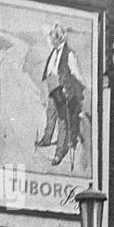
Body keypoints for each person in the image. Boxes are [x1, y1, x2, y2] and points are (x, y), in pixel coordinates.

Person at [35, 23, 86, 166]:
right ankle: (46, 139)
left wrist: (81, 86)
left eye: (53, 38)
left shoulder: (68, 54)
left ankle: (59, 153)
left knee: (62, 120)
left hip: (62, 89)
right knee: (50, 113)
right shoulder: (55, 50)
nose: (51, 41)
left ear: (59, 38)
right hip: (53, 87)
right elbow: (51, 68)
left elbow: (75, 73)